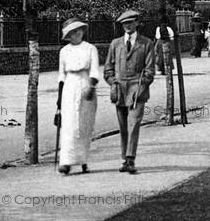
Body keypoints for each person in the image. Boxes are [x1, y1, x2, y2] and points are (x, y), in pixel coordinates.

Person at [104, 9, 155, 175]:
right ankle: (125, 159)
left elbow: (149, 71)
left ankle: (131, 158)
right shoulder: (115, 44)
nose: (127, 26)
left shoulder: (146, 43)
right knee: (123, 127)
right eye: (124, 24)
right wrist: (113, 83)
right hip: (119, 90)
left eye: (130, 22)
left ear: (136, 23)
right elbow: (108, 69)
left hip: (137, 90)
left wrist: (140, 88)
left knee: (134, 124)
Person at [56, 18, 99, 175]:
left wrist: (91, 87)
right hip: (70, 85)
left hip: (86, 84)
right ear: (69, 35)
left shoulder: (90, 48)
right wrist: (59, 99)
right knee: (68, 125)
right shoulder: (64, 51)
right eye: (73, 31)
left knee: (84, 125)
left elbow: (94, 70)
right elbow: (61, 75)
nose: (77, 33)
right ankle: (65, 162)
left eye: (79, 30)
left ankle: (83, 160)